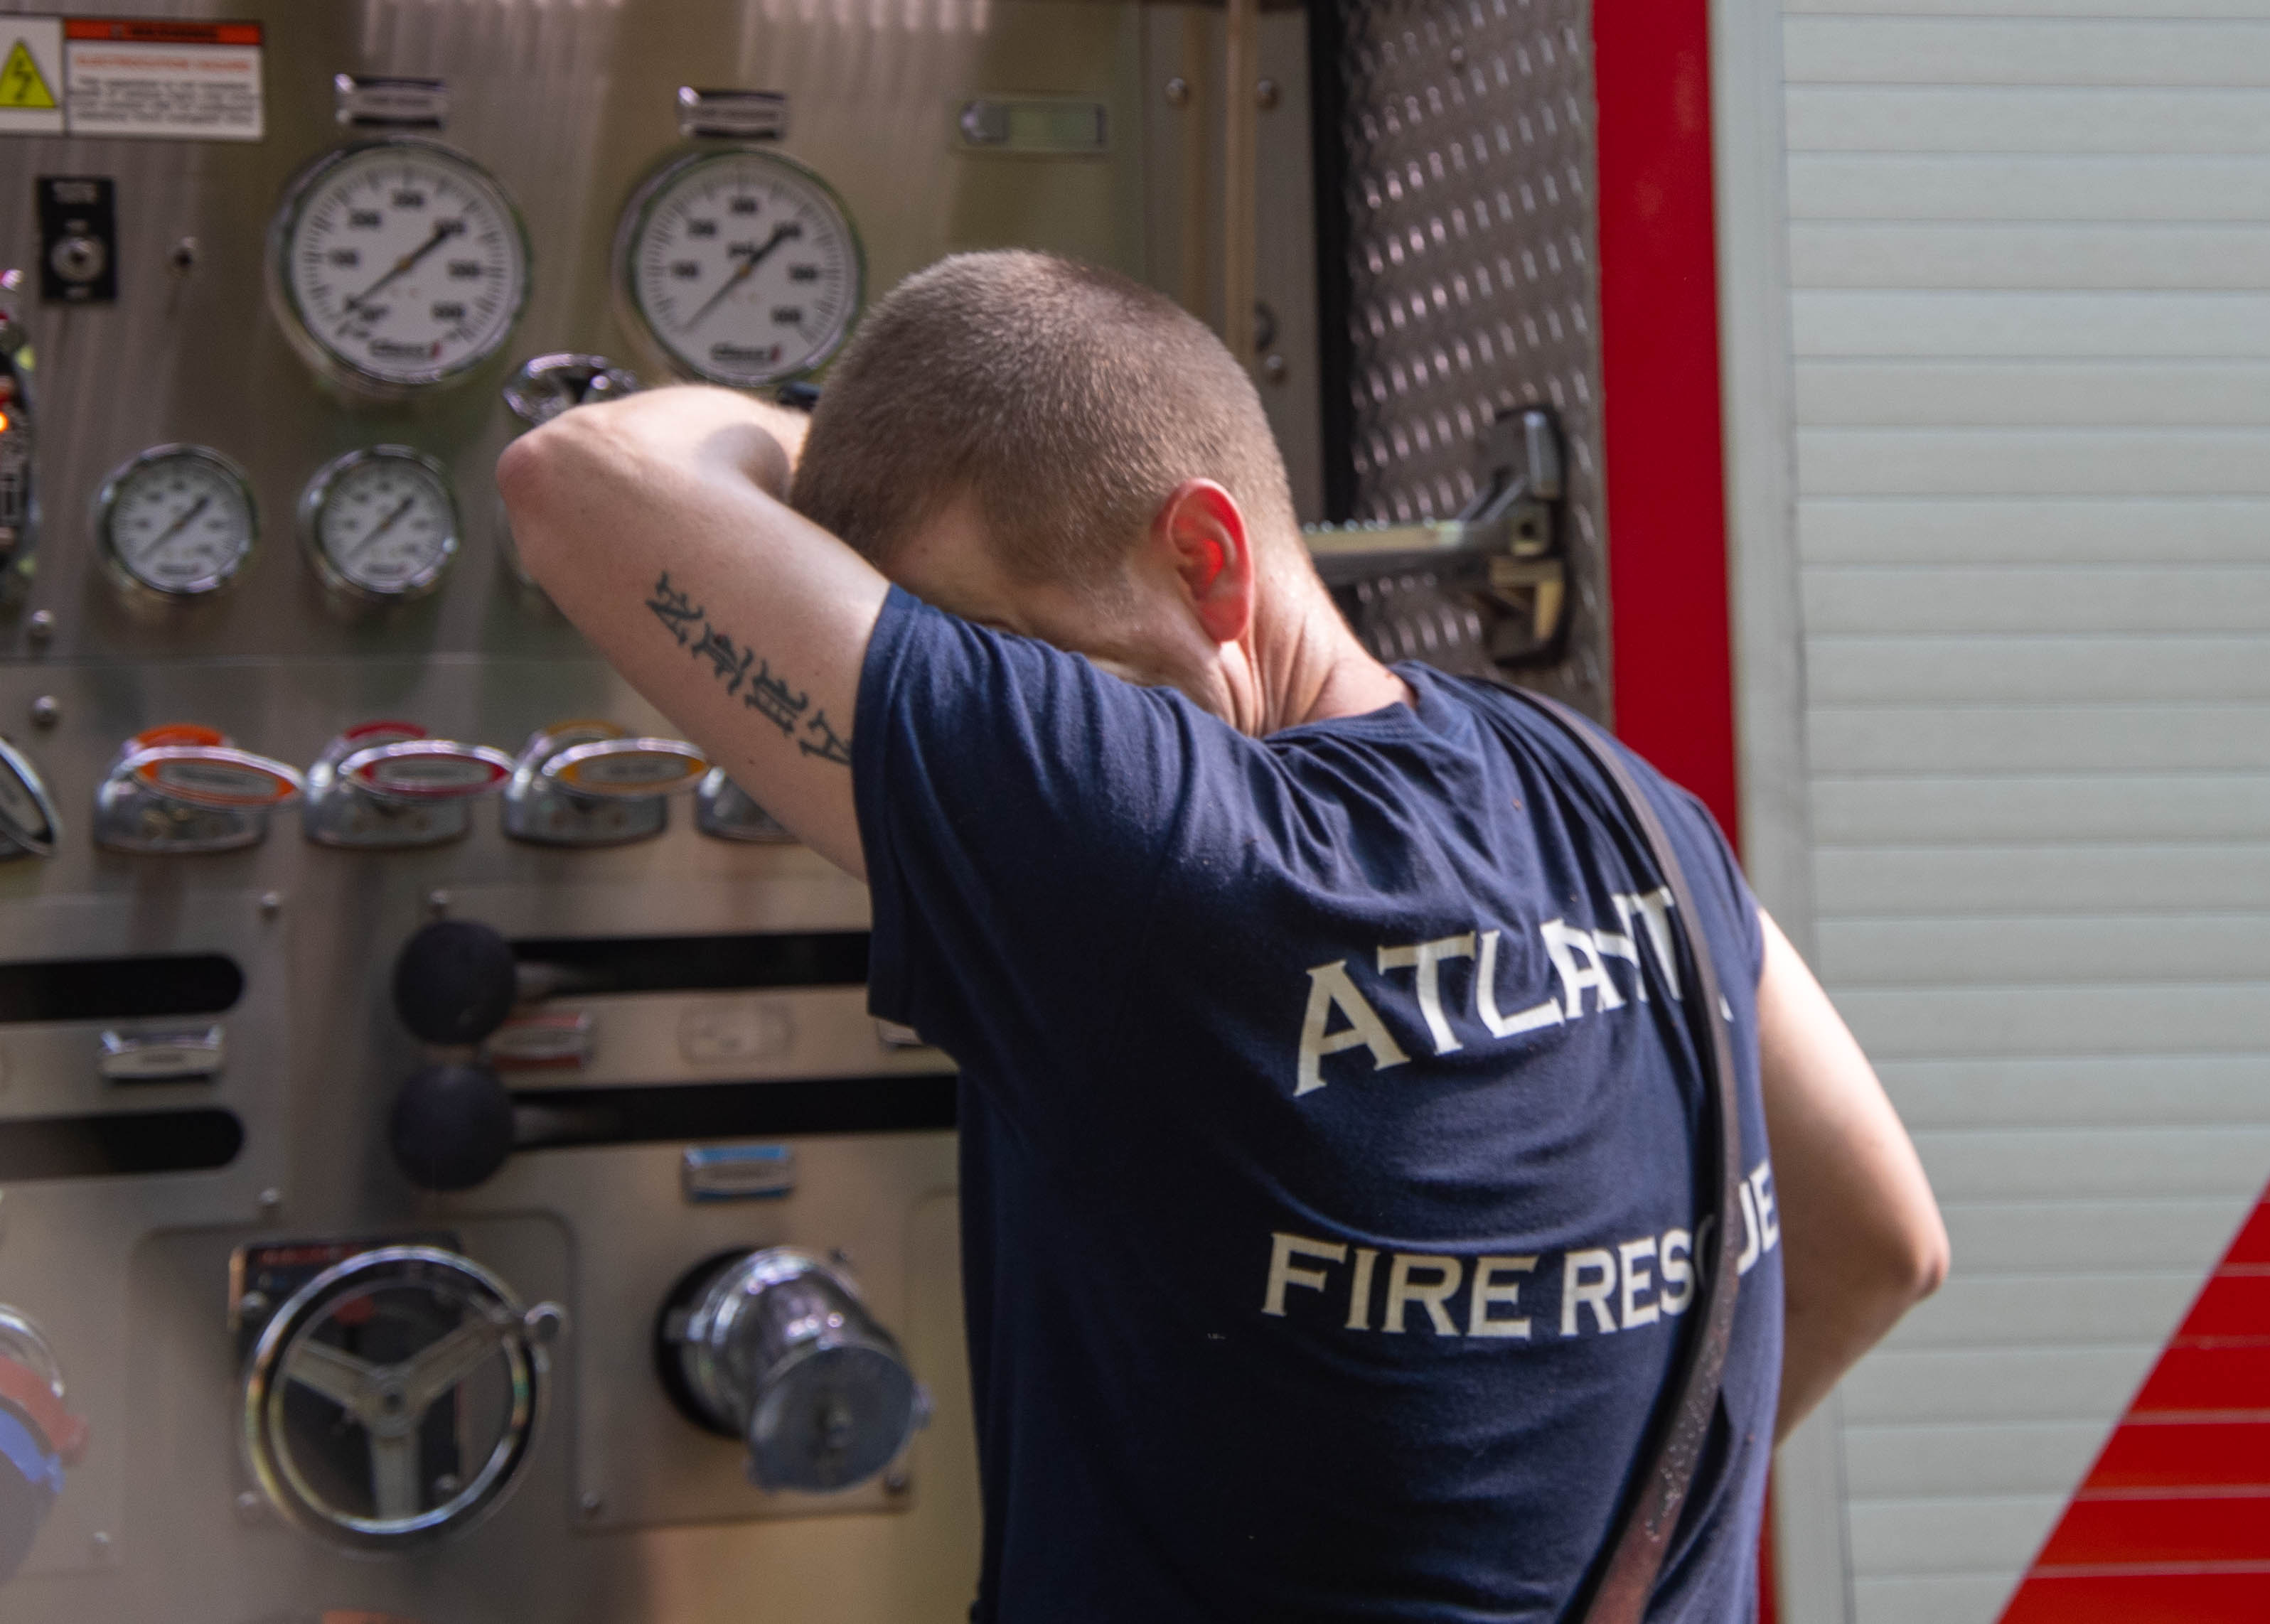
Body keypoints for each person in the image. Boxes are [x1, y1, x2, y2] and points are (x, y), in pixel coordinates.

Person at [498, 250, 1947, 1623]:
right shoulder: (1624, 800)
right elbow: (1881, 1242)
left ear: (1206, 558)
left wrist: (810, 451)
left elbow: (579, 476)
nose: (992, 715)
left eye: (998, 656)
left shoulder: (1161, 852)